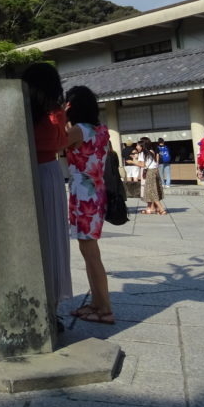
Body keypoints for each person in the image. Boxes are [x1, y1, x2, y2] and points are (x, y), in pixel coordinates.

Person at [21, 63, 72, 315]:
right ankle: (51, 305)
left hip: (22, 172)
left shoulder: (20, 110)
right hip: (49, 172)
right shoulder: (55, 114)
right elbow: (60, 144)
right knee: (53, 236)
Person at [63, 85, 114, 325]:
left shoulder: (77, 131)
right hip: (96, 191)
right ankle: (96, 302)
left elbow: (54, 145)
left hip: (84, 195)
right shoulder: (102, 130)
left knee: (91, 254)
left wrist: (61, 115)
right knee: (89, 251)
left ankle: (105, 309)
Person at [136, 140, 166, 215]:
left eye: (138, 145)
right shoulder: (150, 151)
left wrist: (132, 161)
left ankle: (161, 209)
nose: (136, 147)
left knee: (152, 191)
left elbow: (143, 165)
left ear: (142, 146)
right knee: (151, 190)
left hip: (150, 172)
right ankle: (150, 208)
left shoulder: (142, 154)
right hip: (155, 171)